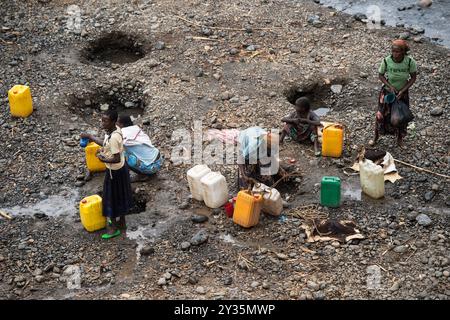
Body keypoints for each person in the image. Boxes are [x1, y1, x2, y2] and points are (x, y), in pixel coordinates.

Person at [81, 110, 133, 239]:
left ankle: (113, 228)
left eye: (105, 121)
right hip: (121, 169)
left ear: (113, 122)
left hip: (114, 171)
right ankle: (122, 222)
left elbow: (115, 158)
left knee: (110, 198)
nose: (102, 123)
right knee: (120, 195)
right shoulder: (113, 131)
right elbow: (106, 144)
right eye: (102, 120)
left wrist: (102, 159)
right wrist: (91, 137)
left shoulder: (114, 137)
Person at [372, 39, 417, 146]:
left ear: (403, 52)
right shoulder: (386, 61)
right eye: (393, 51)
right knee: (380, 115)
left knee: (400, 117)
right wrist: (390, 86)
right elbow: (381, 75)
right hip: (387, 93)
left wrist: (403, 90)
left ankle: (399, 139)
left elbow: (413, 77)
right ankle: (376, 137)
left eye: (397, 52)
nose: (395, 54)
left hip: (402, 94)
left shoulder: (410, 62)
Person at [116, 115, 164, 182]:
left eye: (117, 122)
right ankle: (147, 170)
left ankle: (142, 175)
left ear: (121, 124)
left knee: (120, 155)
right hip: (159, 161)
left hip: (150, 168)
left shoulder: (123, 133)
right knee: (126, 151)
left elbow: (112, 145)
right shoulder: (135, 128)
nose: (115, 124)